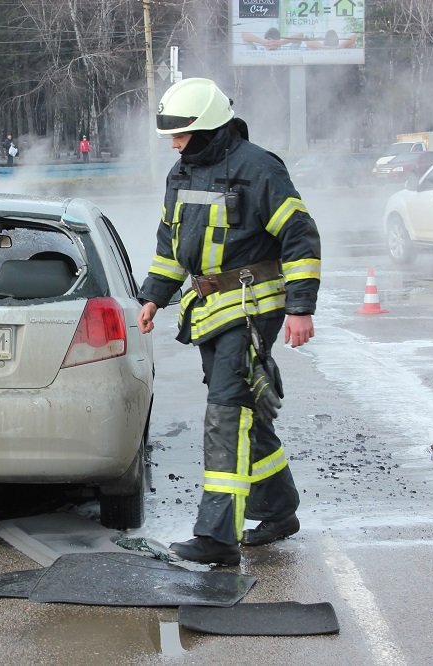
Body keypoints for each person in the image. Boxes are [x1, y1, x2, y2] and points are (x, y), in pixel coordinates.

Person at [136, 78, 321, 566]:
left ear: (208, 128)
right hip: (210, 312)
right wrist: (154, 296)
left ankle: (218, 537)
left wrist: (301, 308)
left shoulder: (259, 169)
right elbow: (170, 246)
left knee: (226, 414)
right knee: (246, 409)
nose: (174, 144)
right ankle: (279, 509)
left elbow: (300, 235)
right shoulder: (182, 173)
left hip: (251, 309)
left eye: (182, 134)